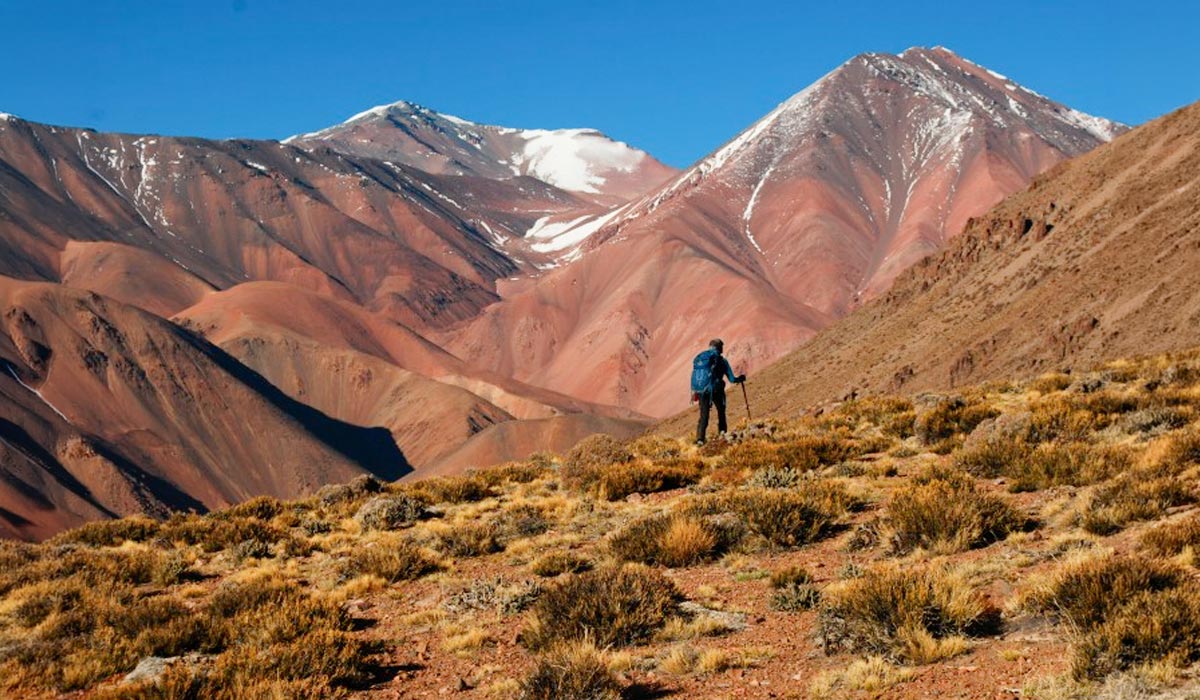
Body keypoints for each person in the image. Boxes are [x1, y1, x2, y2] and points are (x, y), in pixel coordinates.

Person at [692, 338, 745, 445]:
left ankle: (700, 439)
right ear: (719, 348)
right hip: (717, 390)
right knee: (721, 412)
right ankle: (723, 434)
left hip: (702, 390)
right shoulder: (722, 361)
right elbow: (732, 379)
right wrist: (741, 378)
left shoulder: (702, 359)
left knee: (704, 415)